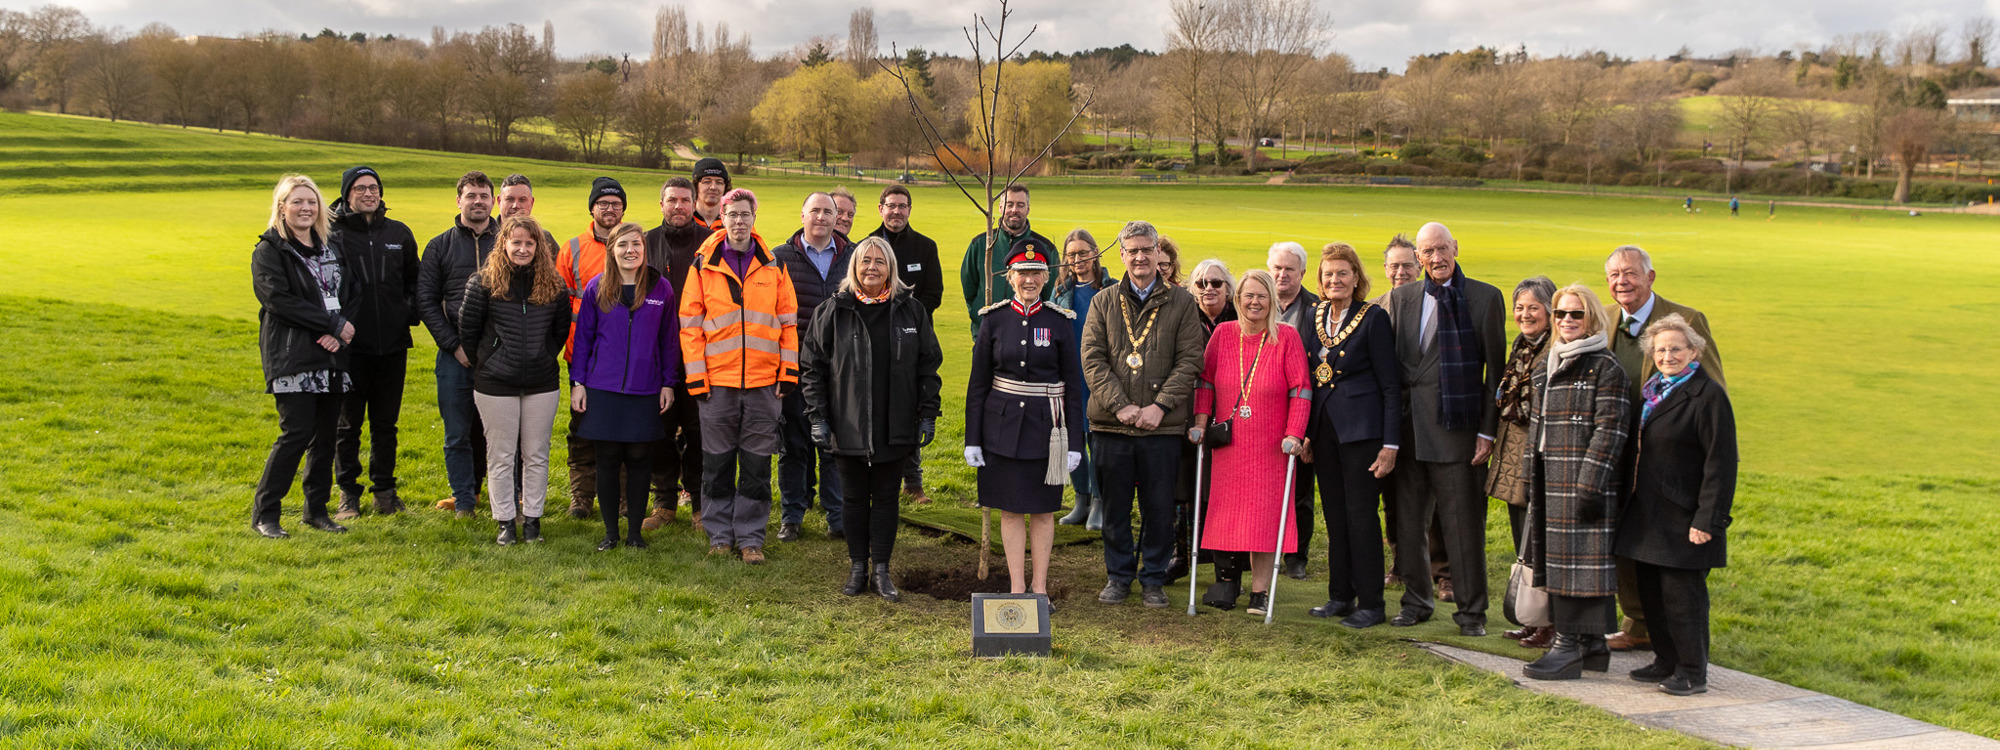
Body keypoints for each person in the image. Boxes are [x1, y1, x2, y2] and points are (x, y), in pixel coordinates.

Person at [1382, 222, 1506, 637]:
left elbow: (1495, 376)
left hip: (1458, 434)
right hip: (1409, 432)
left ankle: (1472, 613)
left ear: (1456, 248)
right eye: (1427, 252)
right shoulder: (1401, 298)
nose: (1436, 258)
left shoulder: (1484, 298)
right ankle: (1416, 602)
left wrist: (1487, 433)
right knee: (1408, 524)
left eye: (1442, 249)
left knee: (1462, 528)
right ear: (1417, 258)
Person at [806, 236, 944, 602]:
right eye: (865, 261)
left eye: (879, 262)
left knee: (886, 498)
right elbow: (813, 368)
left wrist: (927, 413)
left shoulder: (910, 311)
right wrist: (818, 416)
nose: (871, 267)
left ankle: (881, 569)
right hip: (847, 421)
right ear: (854, 266)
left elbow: (928, 365)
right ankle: (857, 568)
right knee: (853, 497)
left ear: (891, 269)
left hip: (894, 422)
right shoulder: (833, 310)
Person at [1602, 244, 1726, 652]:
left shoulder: (1684, 321)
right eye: (1615, 275)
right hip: (1618, 453)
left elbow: (1711, 395)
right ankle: (1639, 623)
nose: (1623, 282)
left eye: (1631, 273)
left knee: (1671, 557)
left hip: (1668, 461)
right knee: (1626, 544)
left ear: (1650, 277)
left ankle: (1677, 644)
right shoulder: (1604, 318)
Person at [1081, 221, 1207, 608]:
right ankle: (1119, 576)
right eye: (1132, 250)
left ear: (1158, 254)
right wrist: (1122, 405)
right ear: (1121, 255)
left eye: (1146, 250)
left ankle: (1153, 577)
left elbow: (1190, 360)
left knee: (1159, 508)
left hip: (1161, 427)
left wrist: (1160, 407)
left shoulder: (1182, 302)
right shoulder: (1103, 301)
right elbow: (1092, 358)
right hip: (1111, 424)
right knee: (1115, 508)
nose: (1139, 257)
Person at [1615, 314, 1737, 696]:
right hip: (1647, 513)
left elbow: (1721, 462)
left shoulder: (1707, 395)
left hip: (1686, 517)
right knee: (1653, 594)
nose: (1668, 355)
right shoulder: (1653, 390)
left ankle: (1692, 670)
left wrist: (1708, 519)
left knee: (1683, 599)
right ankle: (1665, 660)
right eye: (1661, 349)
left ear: (1693, 352)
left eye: (1675, 349)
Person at [680, 188, 798, 565]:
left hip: (764, 385)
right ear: (722, 218)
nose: (739, 221)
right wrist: (698, 379)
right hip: (717, 386)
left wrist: (788, 373)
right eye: (732, 215)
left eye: (745, 214)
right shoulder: (702, 264)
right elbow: (690, 327)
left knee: (755, 465)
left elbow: (789, 324)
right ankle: (719, 535)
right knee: (716, 464)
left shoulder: (774, 265)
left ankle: (750, 538)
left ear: (754, 218)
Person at [1520, 283, 1631, 680]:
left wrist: (1589, 484)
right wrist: (1530, 479)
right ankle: (1592, 646)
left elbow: (1610, 431)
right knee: (1560, 563)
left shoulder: (1605, 366)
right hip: (1550, 479)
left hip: (1583, 484)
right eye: (1561, 313)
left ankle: (1568, 643)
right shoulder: (1547, 363)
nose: (1567, 321)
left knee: (1581, 566)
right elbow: (1537, 428)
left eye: (1576, 314)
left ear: (1592, 319)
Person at [965, 240, 1085, 606]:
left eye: (1036, 273)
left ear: (1045, 277)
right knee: (1011, 508)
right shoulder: (994, 319)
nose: (1029, 280)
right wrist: (973, 438)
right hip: (1000, 429)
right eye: (1022, 273)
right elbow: (979, 384)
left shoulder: (1059, 322)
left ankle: (1040, 588)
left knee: (1043, 510)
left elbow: (1073, 387)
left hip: (1047, 430)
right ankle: (1017, 587)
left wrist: (1076, 444)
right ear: (1010, 277)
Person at [1187, 269, 1311, 617]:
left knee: (1264, 518)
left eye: (1261, 295)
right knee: (1228, 515)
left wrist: (1294, 433)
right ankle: (1226, 584)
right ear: (1237, 298)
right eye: (1248, 295)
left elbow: (1301, 389)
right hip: (1230, 444)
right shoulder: (1224, 334)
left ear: (1272, 300)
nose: (1254, 301)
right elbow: (1205, 383)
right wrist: (1200, 422)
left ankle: (1260, 591)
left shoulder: (1285, 337)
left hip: (1271, 445)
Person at [1301, 243, 1402, 628]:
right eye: (1328, 274)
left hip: (1363, 435)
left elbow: (1391, 386)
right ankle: (1340, 596)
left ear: (1357, 277)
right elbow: (1311, 381)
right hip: (1324, 432)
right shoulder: (1314, 316)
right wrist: (1308, 433)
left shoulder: (1373, 318)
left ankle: (1372, 604)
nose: (1335, 280)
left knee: (1361, 518)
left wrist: (1390, 444)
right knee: (1336, 517)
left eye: (1342, 273)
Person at [458, 215, 572, 547]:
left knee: (536, 454)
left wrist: (542, 354)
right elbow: (469, 332)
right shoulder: (482, 283)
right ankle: (506, 521)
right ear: (504, 243)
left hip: (541, 383)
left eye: (529, 243)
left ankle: (533, 521)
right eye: (516, 242)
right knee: (501, 455)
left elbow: (560, 332)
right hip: (495, 384)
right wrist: (489, 361)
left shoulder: (554, 285)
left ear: (539, 247)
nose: (522, 249)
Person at [250, 174, 354, 538]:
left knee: (325, 437)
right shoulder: (270, 250)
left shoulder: (332, 246)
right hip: (294, 356)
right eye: (297, 202)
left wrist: (339, 330)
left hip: (333, 356)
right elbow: (278, 301)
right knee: (296, 433)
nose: (306, 208)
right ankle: (266, 515)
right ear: (281, 208)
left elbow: (351, 292)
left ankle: (316, 511)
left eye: (311, 202)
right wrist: (329, 324)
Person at [572, 222, 680, 551]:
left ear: (644, 250)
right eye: (622, 245)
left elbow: (669, 341)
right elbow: (584, 340)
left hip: (645, 388)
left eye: (636, 244)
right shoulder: (596, 288)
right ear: (612, 250)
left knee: (639, 459)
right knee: (606, 459)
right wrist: (579, 383)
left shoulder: (661, 289)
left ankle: (635, 533)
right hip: (603, 388)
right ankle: (610, 533)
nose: (629, 250)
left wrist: (668, 383)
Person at [326, 165, 418, 520]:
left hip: (392, 345)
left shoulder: (398, 232)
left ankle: (385, 491)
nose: (369, 194)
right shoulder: (332, 234)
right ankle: (348, 493)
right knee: (347, 425)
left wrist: (405, 313)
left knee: (386, 424)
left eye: (374, 188)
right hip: (349, 347)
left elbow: (414, 279)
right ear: (347, 194)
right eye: (361, 188)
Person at [773, 192, 855, 543]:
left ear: (838, 217)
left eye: (828, 212)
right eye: (815, 211)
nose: (821, 217)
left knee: (835, 445)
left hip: (841, 368)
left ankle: (837, 517)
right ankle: (792, 515)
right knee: (794, 444)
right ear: (802, 214)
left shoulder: (853, 256)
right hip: (795, 366)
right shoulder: (780, 258)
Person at [417, 171, 499, 518]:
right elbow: (426, 301)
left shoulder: (508, 241)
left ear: (493, 200)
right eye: (471, 195)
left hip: (498, 356)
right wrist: (453, 345)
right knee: (457, 434)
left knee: (498, 437)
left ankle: (501, 499)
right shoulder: (440, 246)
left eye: (484, 195)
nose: (478, 201)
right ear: (459, 200)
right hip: (454, 356)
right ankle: (464, 500)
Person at [1489, 276, 1559, 647]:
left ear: (1550, 310)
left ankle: (1550, 623)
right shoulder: (1522, 345)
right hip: (1516, 453)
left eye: (1533, 307)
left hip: (1542, 454)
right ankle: (1532, 618)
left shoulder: (1556, 348)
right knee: (1523, 539)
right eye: (1520, 307)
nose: (1525, 314)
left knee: (1542, 542)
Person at [865, 185, 944, 505]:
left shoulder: (925, 246)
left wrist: (905, 321)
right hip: (874, 341)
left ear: (909, 210)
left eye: (902, 206)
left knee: (910, 408)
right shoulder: (867, 245)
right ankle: (875, 478)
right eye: (891, 206)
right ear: (880, 209)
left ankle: (913, 482)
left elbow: (933, 295)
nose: (896, 211)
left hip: (912, 341)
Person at [557, 177, 630, 520]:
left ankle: (623, 499)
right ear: (592, 208)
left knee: (624, 432)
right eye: (603, 203)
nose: (610, 209)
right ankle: (582, 498)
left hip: (624, 362)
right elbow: (558, 302)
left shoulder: (633, 245)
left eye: (616, 204)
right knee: (583, 432)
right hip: (582, 358)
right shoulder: (572, 248)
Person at [642, 177, 710, 531]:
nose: (679, 206)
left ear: (694, 202)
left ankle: (700, 505)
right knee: (660, 431)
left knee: (699, 433)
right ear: (662, 204)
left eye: (686, 200)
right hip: (656, 358)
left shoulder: (711, 242)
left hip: (701, 356)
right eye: (672, 200)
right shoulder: (646, 243)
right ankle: (664, 504)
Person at [1374, 233, 1440, 592]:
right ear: (1385, 269)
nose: (1400, 271)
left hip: (1425, 418)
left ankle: (1437, 570)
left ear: (1419, 265)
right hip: (1389, 417)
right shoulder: (1374, 307)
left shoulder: (1433, 302)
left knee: (1428, 501)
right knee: (1392, 500)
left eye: (1406, 265)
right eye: (1394, 265)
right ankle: (1400, 562)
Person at [1185, 259, 1248, 609]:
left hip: (1236, 422)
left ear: (1229, 288)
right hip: (1195, 420)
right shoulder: (1186, 318)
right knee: (1195, 495)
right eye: (1201, 283)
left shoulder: (1238, 322)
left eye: (1217, 283)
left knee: (1227, 500)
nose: (1208, 289)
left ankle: (1229, 574)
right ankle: (1190, 555)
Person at [1052, 229, 1116, 530]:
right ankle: (1082, 499)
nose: (1078, 259)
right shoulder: (1060, 291)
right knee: (1070, 439)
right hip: (1068, 377)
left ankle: (1102, 501)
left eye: (1083, 252)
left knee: (1097, 441)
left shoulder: (1112, 288)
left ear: (1095, 253)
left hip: (1101, 378)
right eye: (1072, 254)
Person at [1268, 241, 1320, 581]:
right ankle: (1264, 546)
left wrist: (1309, 431)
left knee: (1300, 490)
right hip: (1262, 410)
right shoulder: (1256, 304)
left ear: (1302, 272)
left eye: (1290, 269)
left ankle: (1296, 555)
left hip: (1303, 412)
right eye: (1277, 268)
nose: (1282, 275)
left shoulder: (1317, 310)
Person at [960, 184, 1052, 332]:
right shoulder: (980, 244)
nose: (1014, 210)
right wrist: (981, 318)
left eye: (1020, 205)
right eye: (1010, 204)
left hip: (1029, 334)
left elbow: (1049, 296)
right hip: (986, 333)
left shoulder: (1045, 248)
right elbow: (969, 289)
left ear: (1028, 208)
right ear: (1000, 208)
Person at [691, 158, 731, 231]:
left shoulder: (734, 223)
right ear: (696, 186)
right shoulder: (685, 221)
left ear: (725, 187)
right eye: (707, 182)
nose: (713, 187)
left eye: (719, 182)